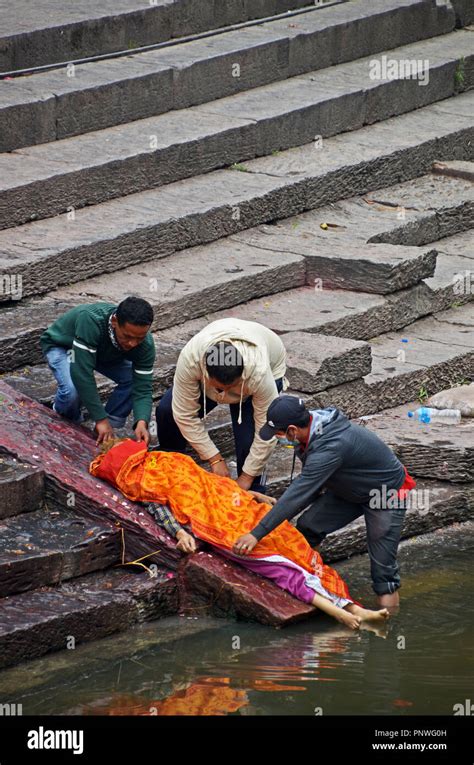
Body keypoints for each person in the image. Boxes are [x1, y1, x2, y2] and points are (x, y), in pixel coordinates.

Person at [90, 438, 390, 629]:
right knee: (283, 562)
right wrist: (180, 534)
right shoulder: (165, 460)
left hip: (230, 511)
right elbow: (165, 507)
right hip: (222, 521)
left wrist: (256, 498)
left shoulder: (162, 464)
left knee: (290, 551)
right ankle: (343, 612)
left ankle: (353, 609)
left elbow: (204, 485)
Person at [233, 396, 416, 609]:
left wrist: (256, 534)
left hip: (384, 493)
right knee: (309, 526)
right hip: (348, 489)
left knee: (384, 574)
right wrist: (277, 522)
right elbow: (308, 489)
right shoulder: (308, 434)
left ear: (292, 430)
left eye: (279, 434)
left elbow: (300, 492)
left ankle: (389, 628)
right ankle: (307, 579)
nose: (278, 438)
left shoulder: (331, 445)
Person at [155, 318, 288, 493]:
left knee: (248, 442)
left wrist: (246, 478)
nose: (225, 394)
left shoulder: (259, 373)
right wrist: (215, 458)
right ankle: (172, 462)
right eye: (220, 388)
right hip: (218, 366)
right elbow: (184, 414)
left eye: (230, 388)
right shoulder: (192, 359)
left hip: (267, 363)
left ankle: (254, 493)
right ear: (206, 372)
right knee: (167, 411)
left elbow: (266, 430)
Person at [40, 297, 155, 445]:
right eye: (127, 336)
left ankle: (107, 430)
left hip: (100, 352)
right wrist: (100, 418)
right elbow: (82, 372)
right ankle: (65, 419)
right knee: (72, 391)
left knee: (132, 379)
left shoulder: (145, 345)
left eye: (140, 338)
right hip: (65, 347)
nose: (133, 343)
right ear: (114, 322)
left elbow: (143, 387)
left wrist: (142, 422)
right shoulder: (91, 320)